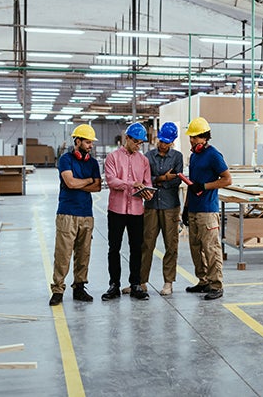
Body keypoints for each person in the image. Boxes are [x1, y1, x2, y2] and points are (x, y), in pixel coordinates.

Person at [49, 124, 102, 306]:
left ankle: (79, 287)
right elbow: (70, 183)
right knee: (63, 254)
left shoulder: (93, 163)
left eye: (91, 143)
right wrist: (87, 180)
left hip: (87, 214)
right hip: (67, 213)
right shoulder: (65, 159)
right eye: (87, 142)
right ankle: (57, 290)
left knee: (83, 253)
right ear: (77, 141)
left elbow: (98, 186)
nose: (90, 146)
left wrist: (81, 183)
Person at [101, 123, 154, 301]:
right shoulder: (112, 157)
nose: (139, 145)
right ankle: (114, 284)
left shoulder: (144, 160)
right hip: (116, 210)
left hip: (137, 211)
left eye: (141, 143)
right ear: (127, 139)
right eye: (136, 142)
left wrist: (147, 191)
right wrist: (132, 184)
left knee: (136, 248)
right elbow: (111, 181)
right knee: (114, 248)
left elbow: (147, 183)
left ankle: (136, 284)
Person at [181, 117, 232, 300]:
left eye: (195, 137)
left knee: (210, 248)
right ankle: (203, 281)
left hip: (208, 210)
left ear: (204, 137)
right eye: (191, 138)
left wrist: (204, 187)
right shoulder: (194, 156)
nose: (192, 141)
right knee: (196, 248)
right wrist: (186, 208)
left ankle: (216, 285)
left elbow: (227, 179)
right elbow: (191, 184)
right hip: (194, 209)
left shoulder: (213, 155)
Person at [141, 122, 183, 296]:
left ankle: (168, 282)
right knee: (146, 244)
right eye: (161, 141)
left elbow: (177, 180)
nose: (163, 145)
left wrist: (158, 180)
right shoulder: (148, 156)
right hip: (151, 206)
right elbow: (145, 180)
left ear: (172, 141)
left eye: (167, 142)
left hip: (170, 206)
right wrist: (163, 177)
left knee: (171, 245)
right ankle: (141, 282)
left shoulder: (177, 157)